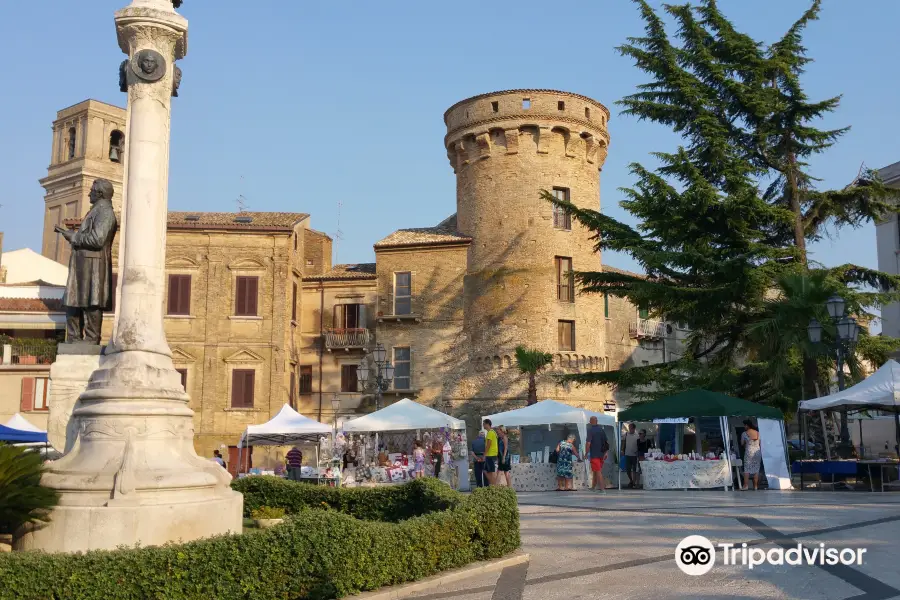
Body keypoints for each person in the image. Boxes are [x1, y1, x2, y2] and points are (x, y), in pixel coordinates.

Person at [584, 416, 609, 493]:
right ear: (597, 421)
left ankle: (602, 489)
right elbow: (606, 442)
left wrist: (586, 453)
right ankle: (593, 487)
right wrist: (606, 452)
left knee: (598, 471)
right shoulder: (601, 430)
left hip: (594, 454)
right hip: (601, 454)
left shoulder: (590, 430)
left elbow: (588, 443)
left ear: (591, 421)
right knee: (595, 471)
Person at [741, 419, 762, 490]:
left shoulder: (744, 434)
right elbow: (760, 443)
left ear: (747, 425)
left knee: (747, 469)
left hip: (749, 452)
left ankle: (745, 485)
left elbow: (742, 443)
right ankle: (755, 486)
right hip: (757, 452)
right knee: (756, 469)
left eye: (744, 425)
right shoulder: (758, 433)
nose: (744, 426)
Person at [622, 423, 640, 489]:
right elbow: (623, 443)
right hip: (627, 454)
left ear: (634, 428)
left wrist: (638, 451)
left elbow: (639, 444)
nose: (630, 429)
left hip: (635, 455)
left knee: (635, 469)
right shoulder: (626, 434)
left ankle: (634, 483)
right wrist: (622, 450)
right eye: (629, 428)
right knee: (628, 469)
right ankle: (631, 480)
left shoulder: (637, 435)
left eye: (631, 428)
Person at [484, 419, 498, 486]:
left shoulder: (490, 432)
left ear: (487, 424)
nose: (483, 425)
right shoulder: (493, 432)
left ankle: (494, 486)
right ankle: (492, 485)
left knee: (491, 471)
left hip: (491, 454)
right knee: (487, 471)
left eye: (484, 424)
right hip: (492, 454)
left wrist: (485, 454)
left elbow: (488, 444)